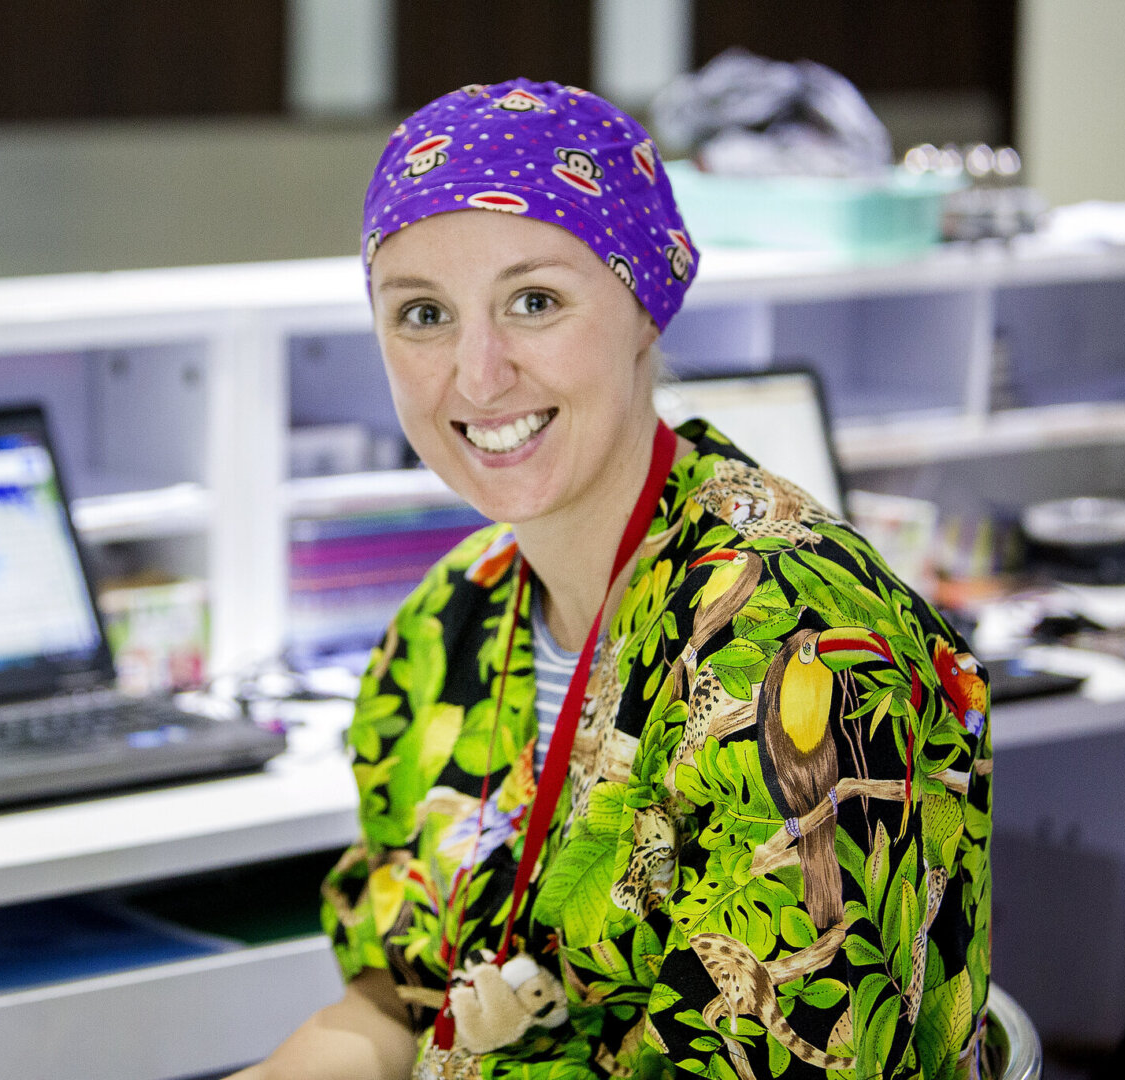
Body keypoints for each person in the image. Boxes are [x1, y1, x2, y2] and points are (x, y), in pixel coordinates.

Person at [232, 78, 992, 1080]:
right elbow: (401, 999)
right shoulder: (446, 626)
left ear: (644, 306)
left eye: (534, 301)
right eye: (423, 313)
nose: (477, 374)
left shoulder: (799, 647)